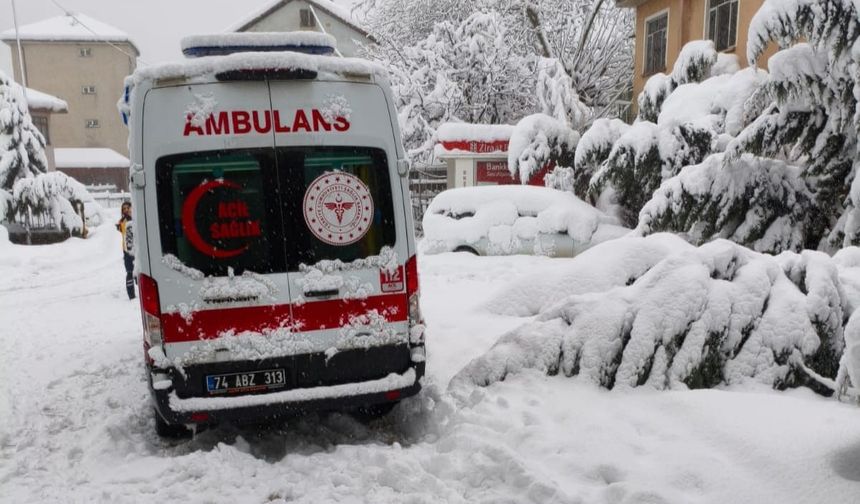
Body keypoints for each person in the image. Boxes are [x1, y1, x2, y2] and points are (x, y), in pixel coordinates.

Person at [117, 201, 136, 300]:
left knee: (139, 272)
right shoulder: (122, 222)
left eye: (128, 208)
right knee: (129, 272)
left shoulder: (136, 218)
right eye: (124, 209)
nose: (126, 210)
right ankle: (131, 295)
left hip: (137, 250)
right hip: (127, 251)